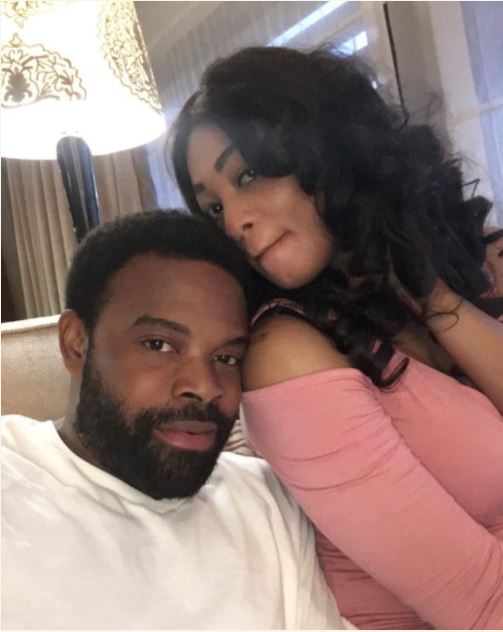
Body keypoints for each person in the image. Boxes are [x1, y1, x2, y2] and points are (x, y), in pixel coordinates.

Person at [171, 45, 503, 629]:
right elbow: (478, 602)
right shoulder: (284, 355)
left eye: (248, 175)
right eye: (214, 208)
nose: (235, 222)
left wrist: (431, 295)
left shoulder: (444, 272)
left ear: (326, 146)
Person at [1, 210, 351, 630]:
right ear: (77, 344)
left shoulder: (266, 499)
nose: (205, 386)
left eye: (226, 358)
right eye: (159, 345)